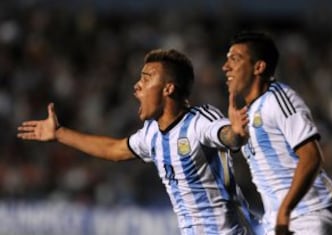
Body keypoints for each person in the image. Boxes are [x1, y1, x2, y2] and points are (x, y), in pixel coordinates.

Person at [17, 49, 258, 235]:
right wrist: (60, 133)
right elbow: (114, 149)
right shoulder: (151, 133)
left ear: (168, 88)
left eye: (147, 78)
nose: (137, 86)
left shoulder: (199, 121)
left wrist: (236, 132)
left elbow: (227, 135)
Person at [222, 31, 332, 235]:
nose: (226, 66)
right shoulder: (251, 112)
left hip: (308, 216)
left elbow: (311, 157)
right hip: (283, 222)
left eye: (235, 59)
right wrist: (236, 135)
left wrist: (285, 210)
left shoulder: (279, 98)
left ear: (259, 67)